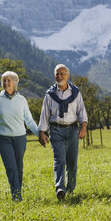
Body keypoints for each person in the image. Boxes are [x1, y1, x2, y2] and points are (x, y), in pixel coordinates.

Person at [38, 64, 88, 200]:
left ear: (67, 76)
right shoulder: (49, 95)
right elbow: (44, 115)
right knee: (59, 160)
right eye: (57, 74)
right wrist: (42, 132)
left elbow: (82, 112)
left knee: (72, 162)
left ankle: (70, 190)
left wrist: (83, 128)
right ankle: (60, 188)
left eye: (62, 74)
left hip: (72, 130)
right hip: (56, 130)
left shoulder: (76, 93)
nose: (59, 76)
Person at [0, 71, 39, 201]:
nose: (6, 83)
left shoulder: (22, 100)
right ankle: (17, 197)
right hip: (3, 138)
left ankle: (17, 192)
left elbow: (29, 120)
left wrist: (40, 134)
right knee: (11, 168)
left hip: (20, 138)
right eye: (4, 81)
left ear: (15, 82)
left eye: (8, 80)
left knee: (19, 169)